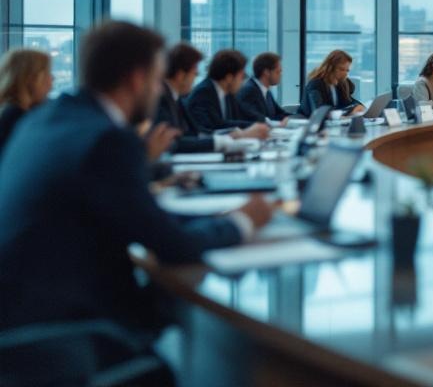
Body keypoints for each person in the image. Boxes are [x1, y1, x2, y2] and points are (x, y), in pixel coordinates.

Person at [0, 21, 273, 333]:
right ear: (136, 78)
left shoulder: (45, 119)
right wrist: (242, 222)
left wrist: (222, 215)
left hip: (21, 319)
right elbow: (173, 246)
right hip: (69, 335)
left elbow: (144, 214)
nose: (159, 91)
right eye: (157, 80)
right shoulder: (108, 140)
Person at [156, 43, 268, 153]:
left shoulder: (176, 98)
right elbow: (177, 142)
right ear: (181, 75)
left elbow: (200, 132)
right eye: (194, 73)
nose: (195, 78)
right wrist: (234, 136)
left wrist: (238, 133)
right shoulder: (199, 93)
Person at [185, 49, 266, 132]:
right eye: (241, 76)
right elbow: (213, 126)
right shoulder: (203, 93)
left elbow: (234, 120)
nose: (243, 81)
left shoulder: (228, 93)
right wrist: (252, 127)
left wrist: (258, 126)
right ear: (229, 77)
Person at [0, 48, 52, 159]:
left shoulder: (12, 111)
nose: (52, 79)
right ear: (32, 79)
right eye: (47, 73)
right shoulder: (15, 117)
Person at [299, 50, 364, 117]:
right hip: (310, 121)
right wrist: (343, 115)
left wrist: (358, 107)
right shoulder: (316, 84)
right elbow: (319, 110)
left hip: (332, 122)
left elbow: (348, 101)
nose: (345, 73)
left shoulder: (341, 84)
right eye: (341, 69)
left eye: (347, 70)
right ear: (330, 67)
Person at [237, 52, 289, 123]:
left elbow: (279, 114)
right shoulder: (249, 90)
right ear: (266, 72)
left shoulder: (266, 90)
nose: (280, 75)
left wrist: (300, 120)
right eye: (278, 72)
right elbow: (254, 119)